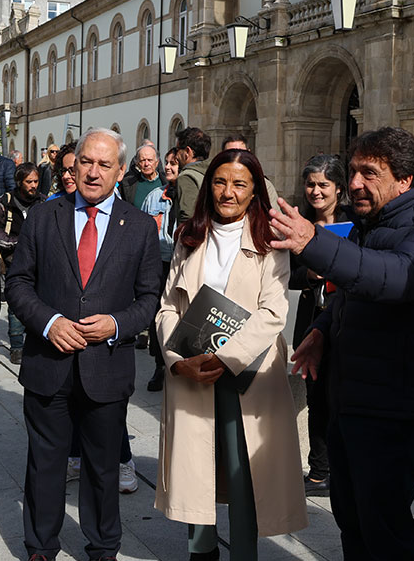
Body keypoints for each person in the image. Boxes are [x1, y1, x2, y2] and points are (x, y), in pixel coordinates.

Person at [270, 126, 414, 560]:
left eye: (370, 173)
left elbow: (399, 277)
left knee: (386, 525)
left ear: (406, 179)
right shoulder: (372, 222)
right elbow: (358, 290)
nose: (355, 183)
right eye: (354, 171)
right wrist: (323, 328)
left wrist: (313, 241)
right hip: (357, 397)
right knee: (352, 517)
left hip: (401, 403)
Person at [5, 129, 162, 561]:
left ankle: (103, 546)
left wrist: (115, 323)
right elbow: (18, 283)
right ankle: (40, 546)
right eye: (85, 162)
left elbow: (150, 298)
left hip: (106, 367)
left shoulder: (141, 228)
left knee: (102, 465)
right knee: (45, 464)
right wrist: (50, 322)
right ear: (72, 166)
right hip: (48, 364)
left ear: (121, 170)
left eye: (103, 164)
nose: (92, 172)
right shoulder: (43, 216)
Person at [155, 148, 307, 560]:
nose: (228, 192)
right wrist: (176, 359)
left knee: (245, 475)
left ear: (255, 190)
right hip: (193, 370)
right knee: (195, 471)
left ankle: (243, 553)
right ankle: (201, 552)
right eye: (220, 182)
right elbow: (168, 306)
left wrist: (226, 356)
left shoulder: (269, 239)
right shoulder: (189, 235)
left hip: (249, 372)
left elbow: (274, 310)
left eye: (239, 184)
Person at [289, 154, 350, 496]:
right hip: (312, 320)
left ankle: (341, 466)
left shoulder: (354, 224)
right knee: (316, 398)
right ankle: (319, 470)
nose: (316, 191)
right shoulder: (297, 223)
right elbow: (288, 275)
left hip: (344, 321)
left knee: (341, 396)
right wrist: (309, 274)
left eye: (323, 185)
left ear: (339, 189)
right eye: (310, 184)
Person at [0, 162, 46, 364]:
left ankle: (35, 341)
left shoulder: (43, 202)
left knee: (39, 301)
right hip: (14, 260)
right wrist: (14, 243)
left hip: (40, 261)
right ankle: (17, 346)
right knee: (17, 303)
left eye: (36, 181)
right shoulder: (4, 202)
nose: (33, 186)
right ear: (19, 182)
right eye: (29, 181)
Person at [139, 147, 180, 392]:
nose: (168, 167)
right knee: (157, 317)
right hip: (159, 265)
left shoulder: (193, 196)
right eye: (166, 162)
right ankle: (159, 365)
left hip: (182, 265)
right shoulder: (154, 197)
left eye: (174, 163)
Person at [221, 134, 281, 211]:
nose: (236, 157)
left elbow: (273, 215)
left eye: (242, 152)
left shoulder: (264, 184)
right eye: (231, 153)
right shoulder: (212, 181)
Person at [173, 127, 211, 224]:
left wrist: (183, 237)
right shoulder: (214, 172)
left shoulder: (186, 177)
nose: (176, 156)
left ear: (188, 151)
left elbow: (188, 215)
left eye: (177, 150)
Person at [118, 144, 164, 211]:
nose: (146, 164)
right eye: (143, 160)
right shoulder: (127, 185)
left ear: (157, 163)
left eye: (150, 160)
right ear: (138, 163)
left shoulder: (166, 183)